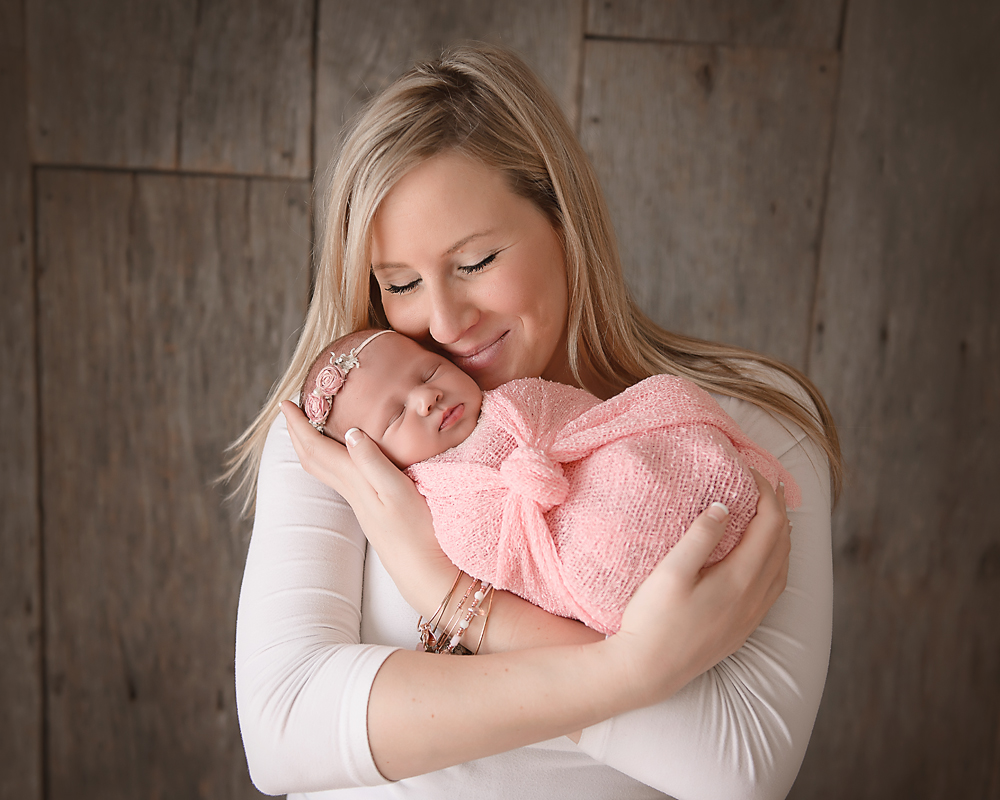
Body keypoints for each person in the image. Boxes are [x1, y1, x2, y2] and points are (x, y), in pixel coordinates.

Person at [226, 42, 840, 799]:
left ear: (563, 219)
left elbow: (739, 769)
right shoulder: (352, 424)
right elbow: (283, 728)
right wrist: (629, 669)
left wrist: (451, 594)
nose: (444, 323)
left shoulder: (748, 423)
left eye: (477, 262)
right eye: (402, 283)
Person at [298, 327, 801, 637]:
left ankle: (702, 487)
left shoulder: (513, 399)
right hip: (567, 547)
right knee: (600, 561)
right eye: (394, 417)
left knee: (643, 464)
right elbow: (496, 555)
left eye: (429, 371)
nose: (425, 398)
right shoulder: (438, 498)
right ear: (377, 458)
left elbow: (590, 418)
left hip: (608, 467)